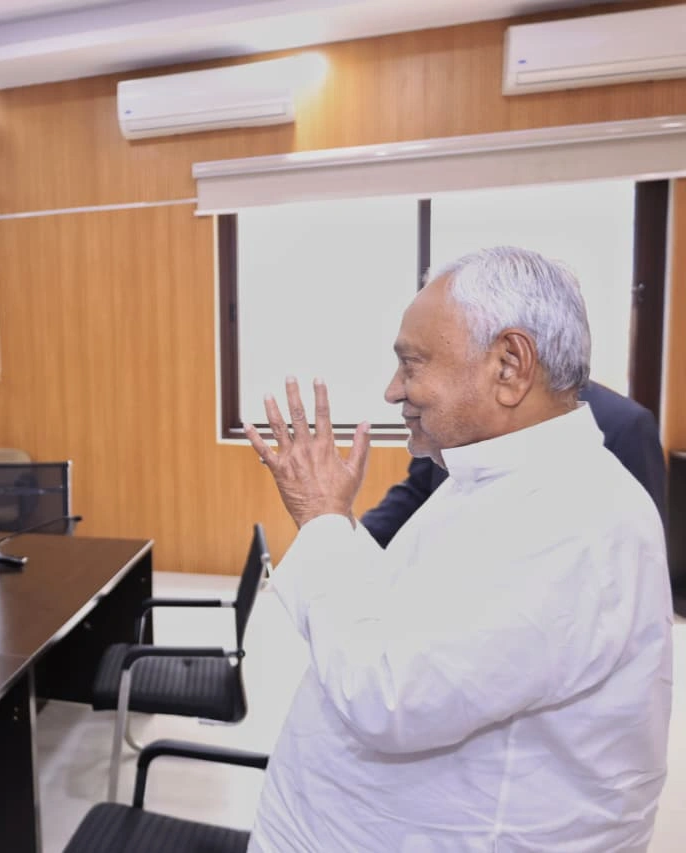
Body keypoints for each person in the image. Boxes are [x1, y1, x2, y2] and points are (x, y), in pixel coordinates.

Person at [244, 247, 671, 851]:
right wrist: (338, 521)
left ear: (509, 365)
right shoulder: (491, 477)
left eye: (411, 364)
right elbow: (398, 614)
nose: (393, 390)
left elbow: (390, 695)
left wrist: (322, 520)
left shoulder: (578, 517)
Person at [362, 380, 666, 546]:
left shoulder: (624, 423)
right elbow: (417, 492)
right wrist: (351, 540)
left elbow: (641, 548)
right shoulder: (459, 411)